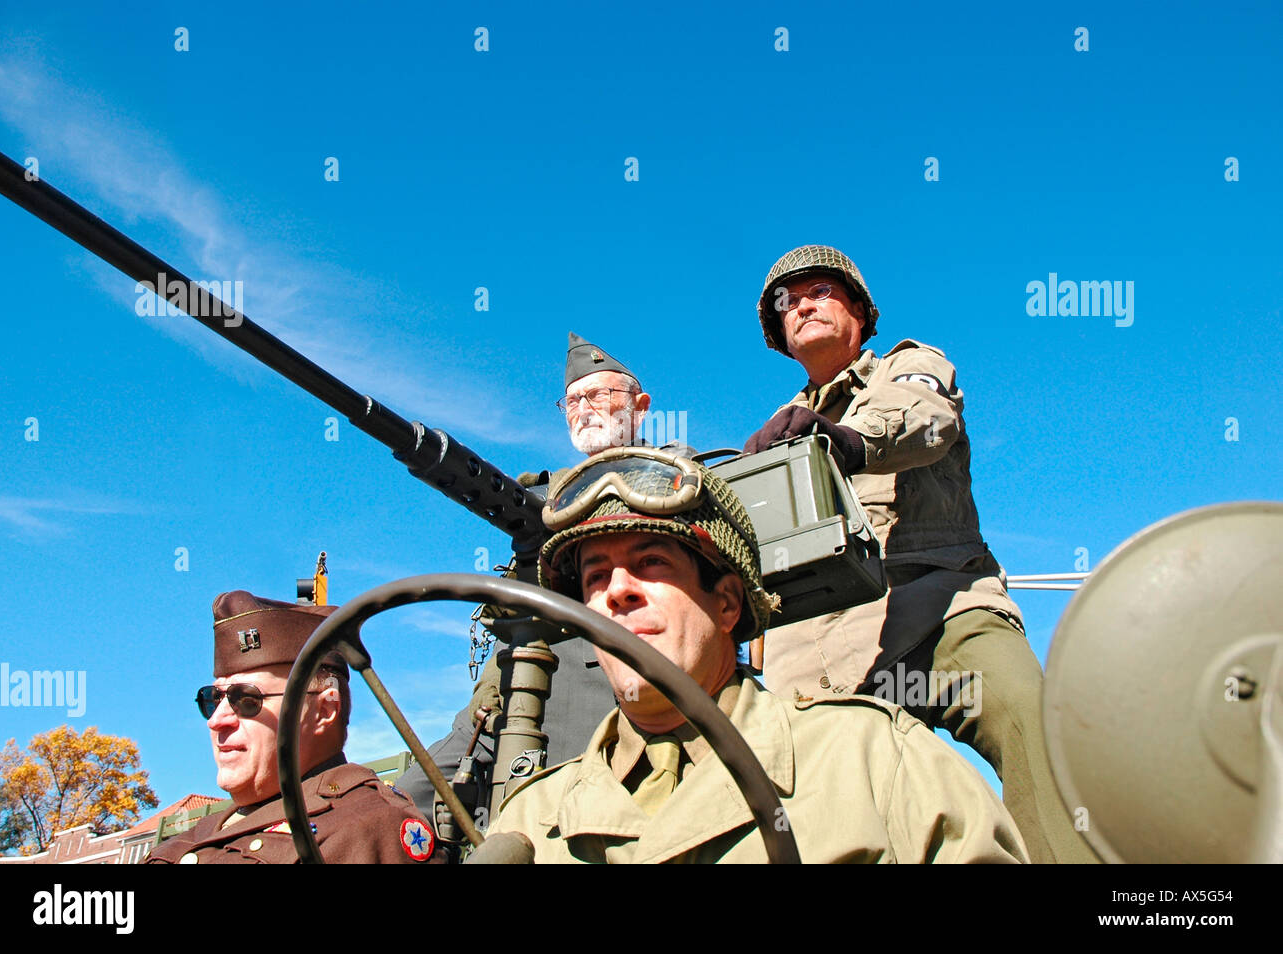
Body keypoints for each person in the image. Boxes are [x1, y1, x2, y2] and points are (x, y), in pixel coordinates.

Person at [483, 448, 1028, 863]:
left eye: (651, 562)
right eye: (595, 576)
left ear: (726, 603)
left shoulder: (875, 763)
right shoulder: (532, 819)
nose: (617, 590)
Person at [743, 243, 1094, 863]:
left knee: (1028, 721)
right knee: (806, 813)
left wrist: (848, 441)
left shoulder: (908, 366)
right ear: (779, 333)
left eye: (819, 292)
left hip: (938, 604)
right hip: (821, 653)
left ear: (858, 310)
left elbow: (923, 415)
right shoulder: (774, 428)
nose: (801, 305)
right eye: (787, 302)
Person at [396, 333, 686, 834]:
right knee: (405, 806)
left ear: (640, 407)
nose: (583, 409)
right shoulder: (547, 492)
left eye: (599, 395)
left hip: (611, 679)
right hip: (513, 675)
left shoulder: (677, 474)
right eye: (572, 401)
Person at [147, 591, 442, 864]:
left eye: (247, 699)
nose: (216, 720)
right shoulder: (191, 838)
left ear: (324, 710)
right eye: (213, 699)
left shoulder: (368, 827)